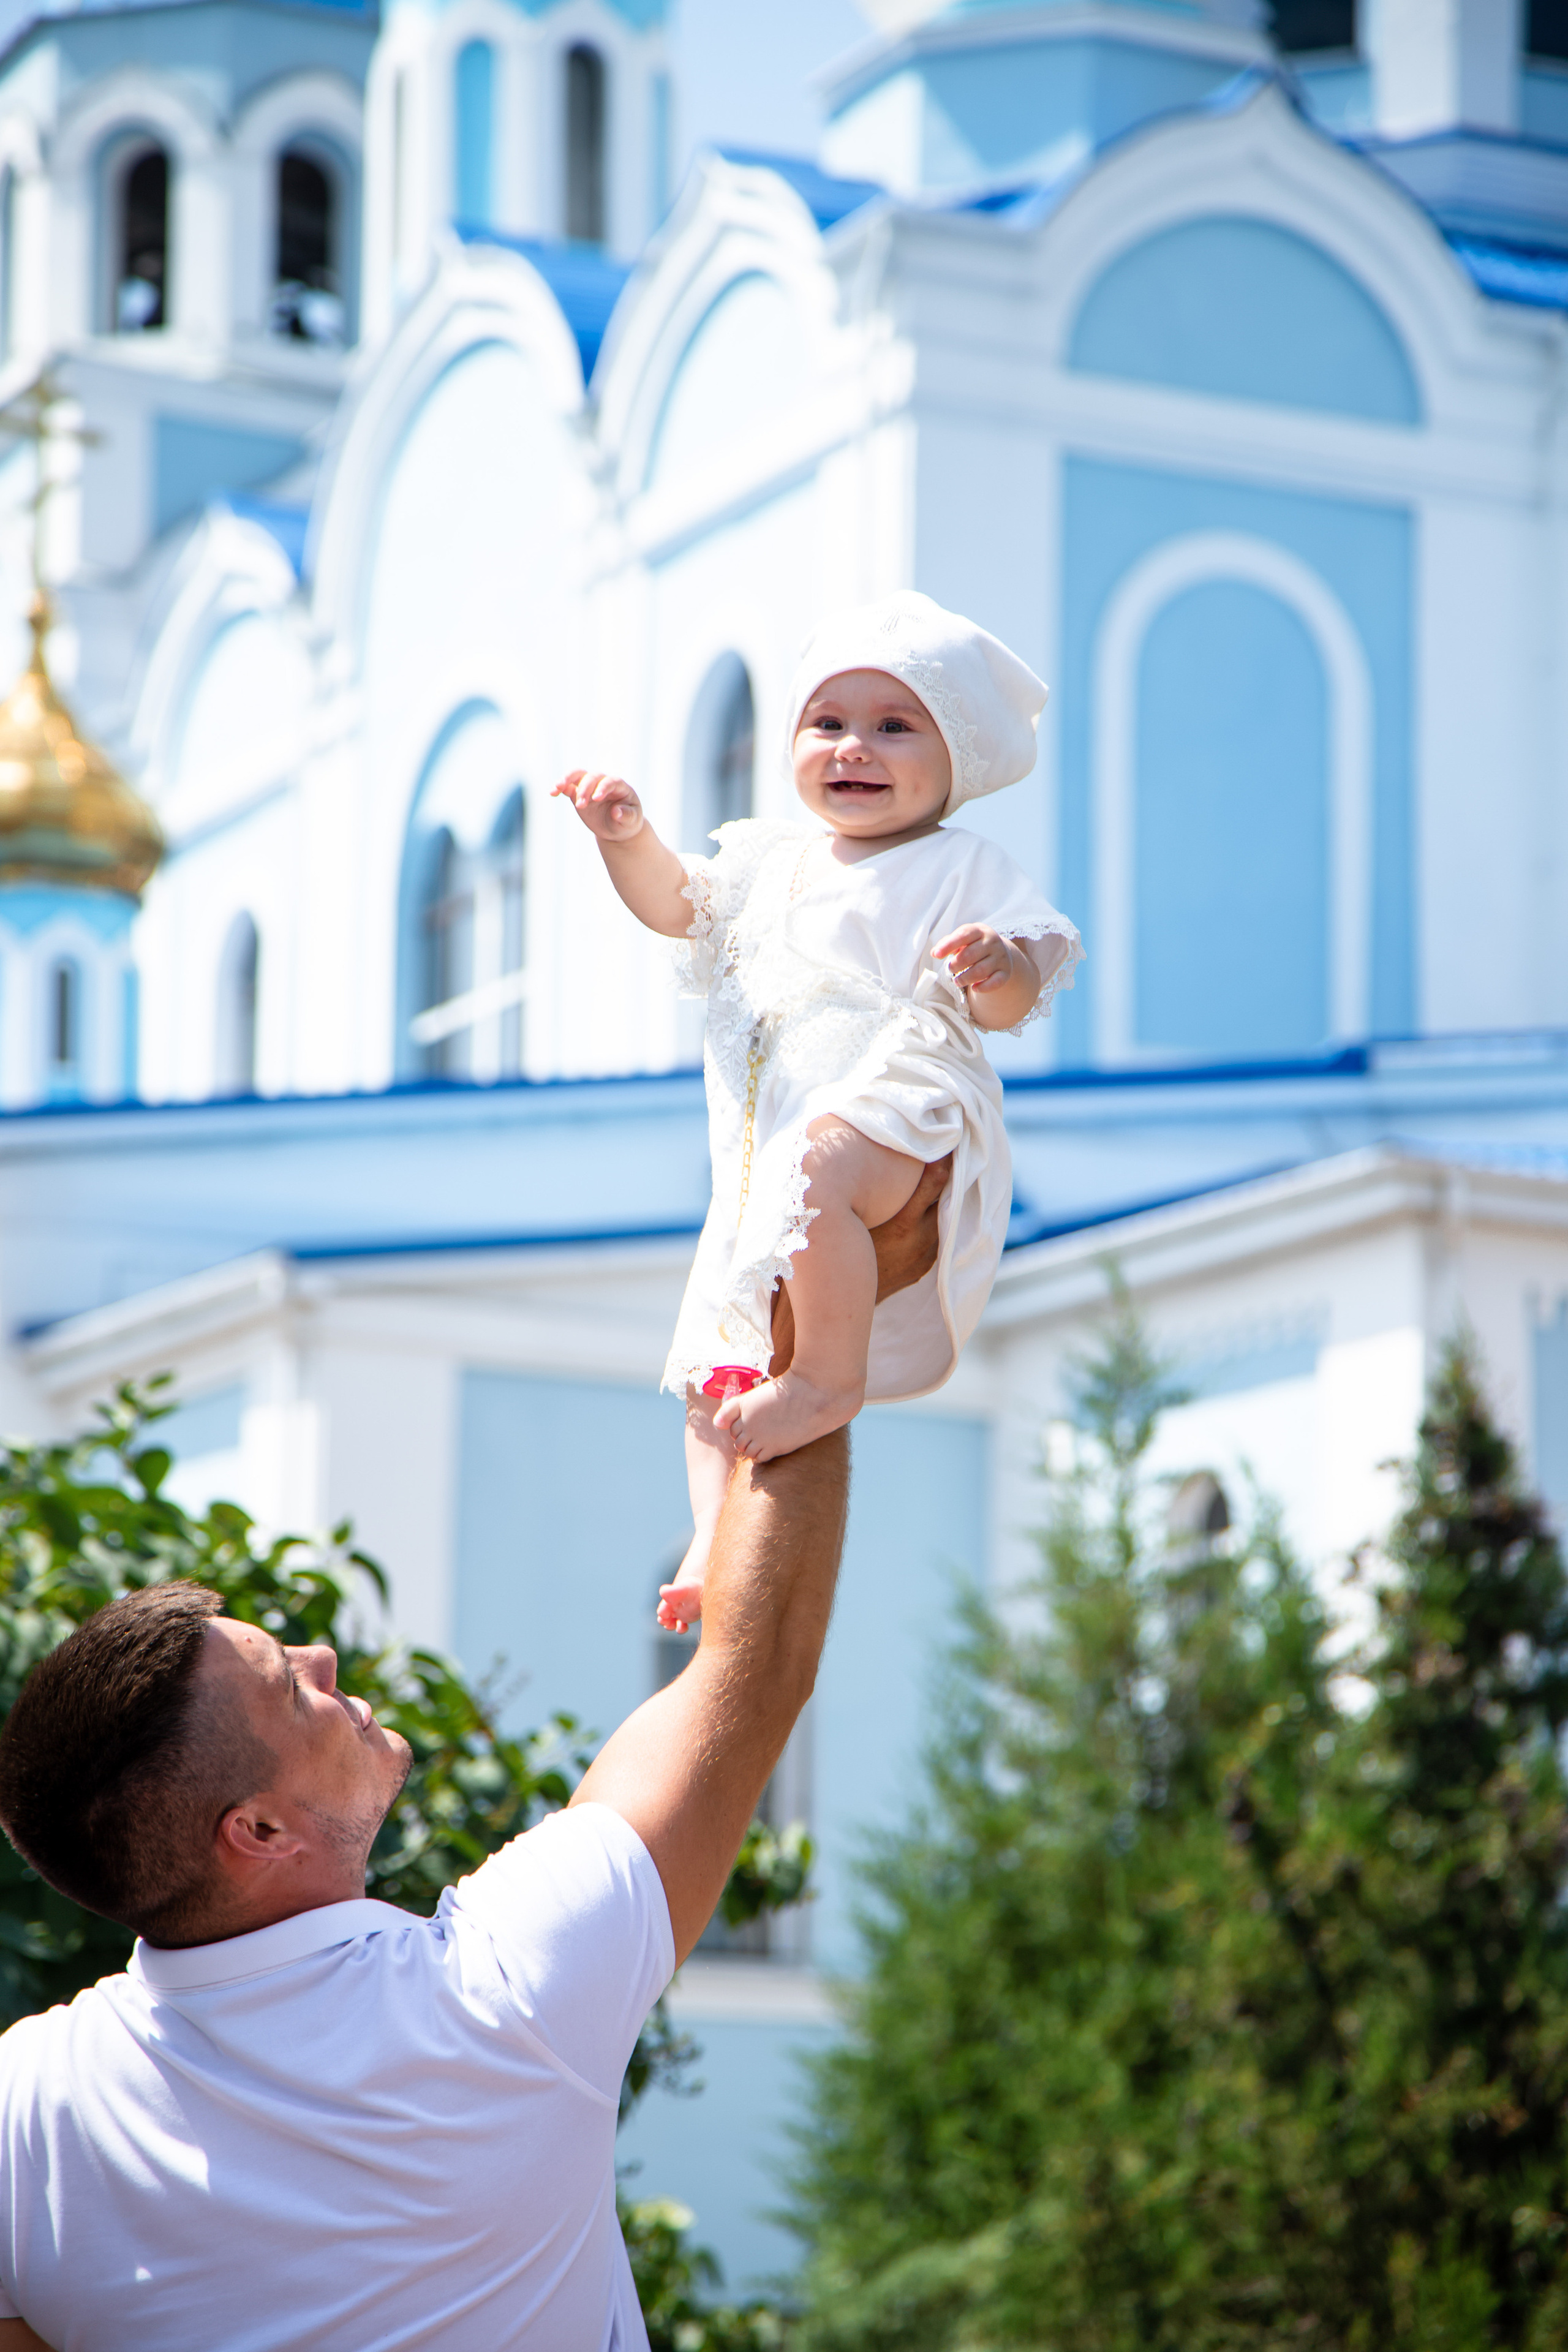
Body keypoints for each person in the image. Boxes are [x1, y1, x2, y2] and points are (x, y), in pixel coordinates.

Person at [0, 1167, 945, 2352]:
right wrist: (826, 1325)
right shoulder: (500, 2004)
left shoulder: (26, 2114)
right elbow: (751, 1676)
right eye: (290, 1688)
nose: (326, 1656)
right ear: (257, 1832)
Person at [555, 590, 1082, 1631]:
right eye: (828, 723)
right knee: (716, 1350)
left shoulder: (959, 863)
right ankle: (711, 1536)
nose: (855, 748)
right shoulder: (767, 864)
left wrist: (996, 962)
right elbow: (677, 905)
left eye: (895, 726)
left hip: (900, 1107)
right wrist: (627, 837)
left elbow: (1026, 984)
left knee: (819, 1168)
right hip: (764, 1154)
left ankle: (827, 1380)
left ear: (958, 754)